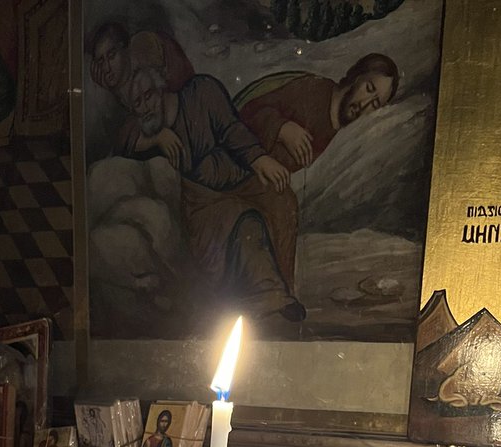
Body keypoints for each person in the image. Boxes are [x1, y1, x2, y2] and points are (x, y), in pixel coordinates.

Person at [122, 68, 302, 321]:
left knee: (282, 201)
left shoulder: (201, 92)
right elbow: (123, 139)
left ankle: (285, 292)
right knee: (242, 219)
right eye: (137, 103)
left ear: (162, 89)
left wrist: (259, 159)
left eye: (148, 96)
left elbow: (231, 129)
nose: (144, 107)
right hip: (203, 201)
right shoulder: (153, 129)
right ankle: (267, 294)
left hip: (243, 180)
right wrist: (157, 139)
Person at [236, 53, 399, 174]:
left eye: (375, 104)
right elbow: (247, 112)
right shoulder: (313, 91)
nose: (364, 104)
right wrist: (282, 128)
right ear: (357, 77)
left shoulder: (343, 138)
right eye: (369, 88)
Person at [86, 21, 194, 162]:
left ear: (125, 49)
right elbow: (121, 142)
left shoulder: (149, 54)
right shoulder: (112, 93)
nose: (106, 68)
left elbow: (183, 98)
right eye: (101, 61)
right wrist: (156, 138)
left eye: (112, 56)